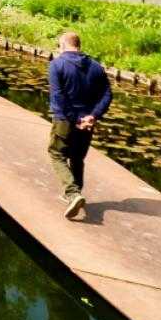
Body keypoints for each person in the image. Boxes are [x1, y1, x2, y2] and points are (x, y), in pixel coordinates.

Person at [48, 30, 112, 219]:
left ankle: (73, 193)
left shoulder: (57, 65)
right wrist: (92, 116)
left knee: (56, 154)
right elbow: (107, 95)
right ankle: (76, 193)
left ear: (63, 45)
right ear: (79, 45)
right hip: (87, 122)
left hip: (65, 121)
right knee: (77, 158)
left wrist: (76, 119)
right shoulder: (96, 67)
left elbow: (58, 97)